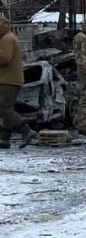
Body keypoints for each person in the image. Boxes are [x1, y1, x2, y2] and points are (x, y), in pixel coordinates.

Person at [0, 15, 37, 149]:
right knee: (6, 109)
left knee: (4, 109)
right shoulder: (7, 37)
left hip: (8, 80)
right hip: (8, 79)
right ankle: (4, 139)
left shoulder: (7, 39)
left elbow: (4, 58)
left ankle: (27, 131)